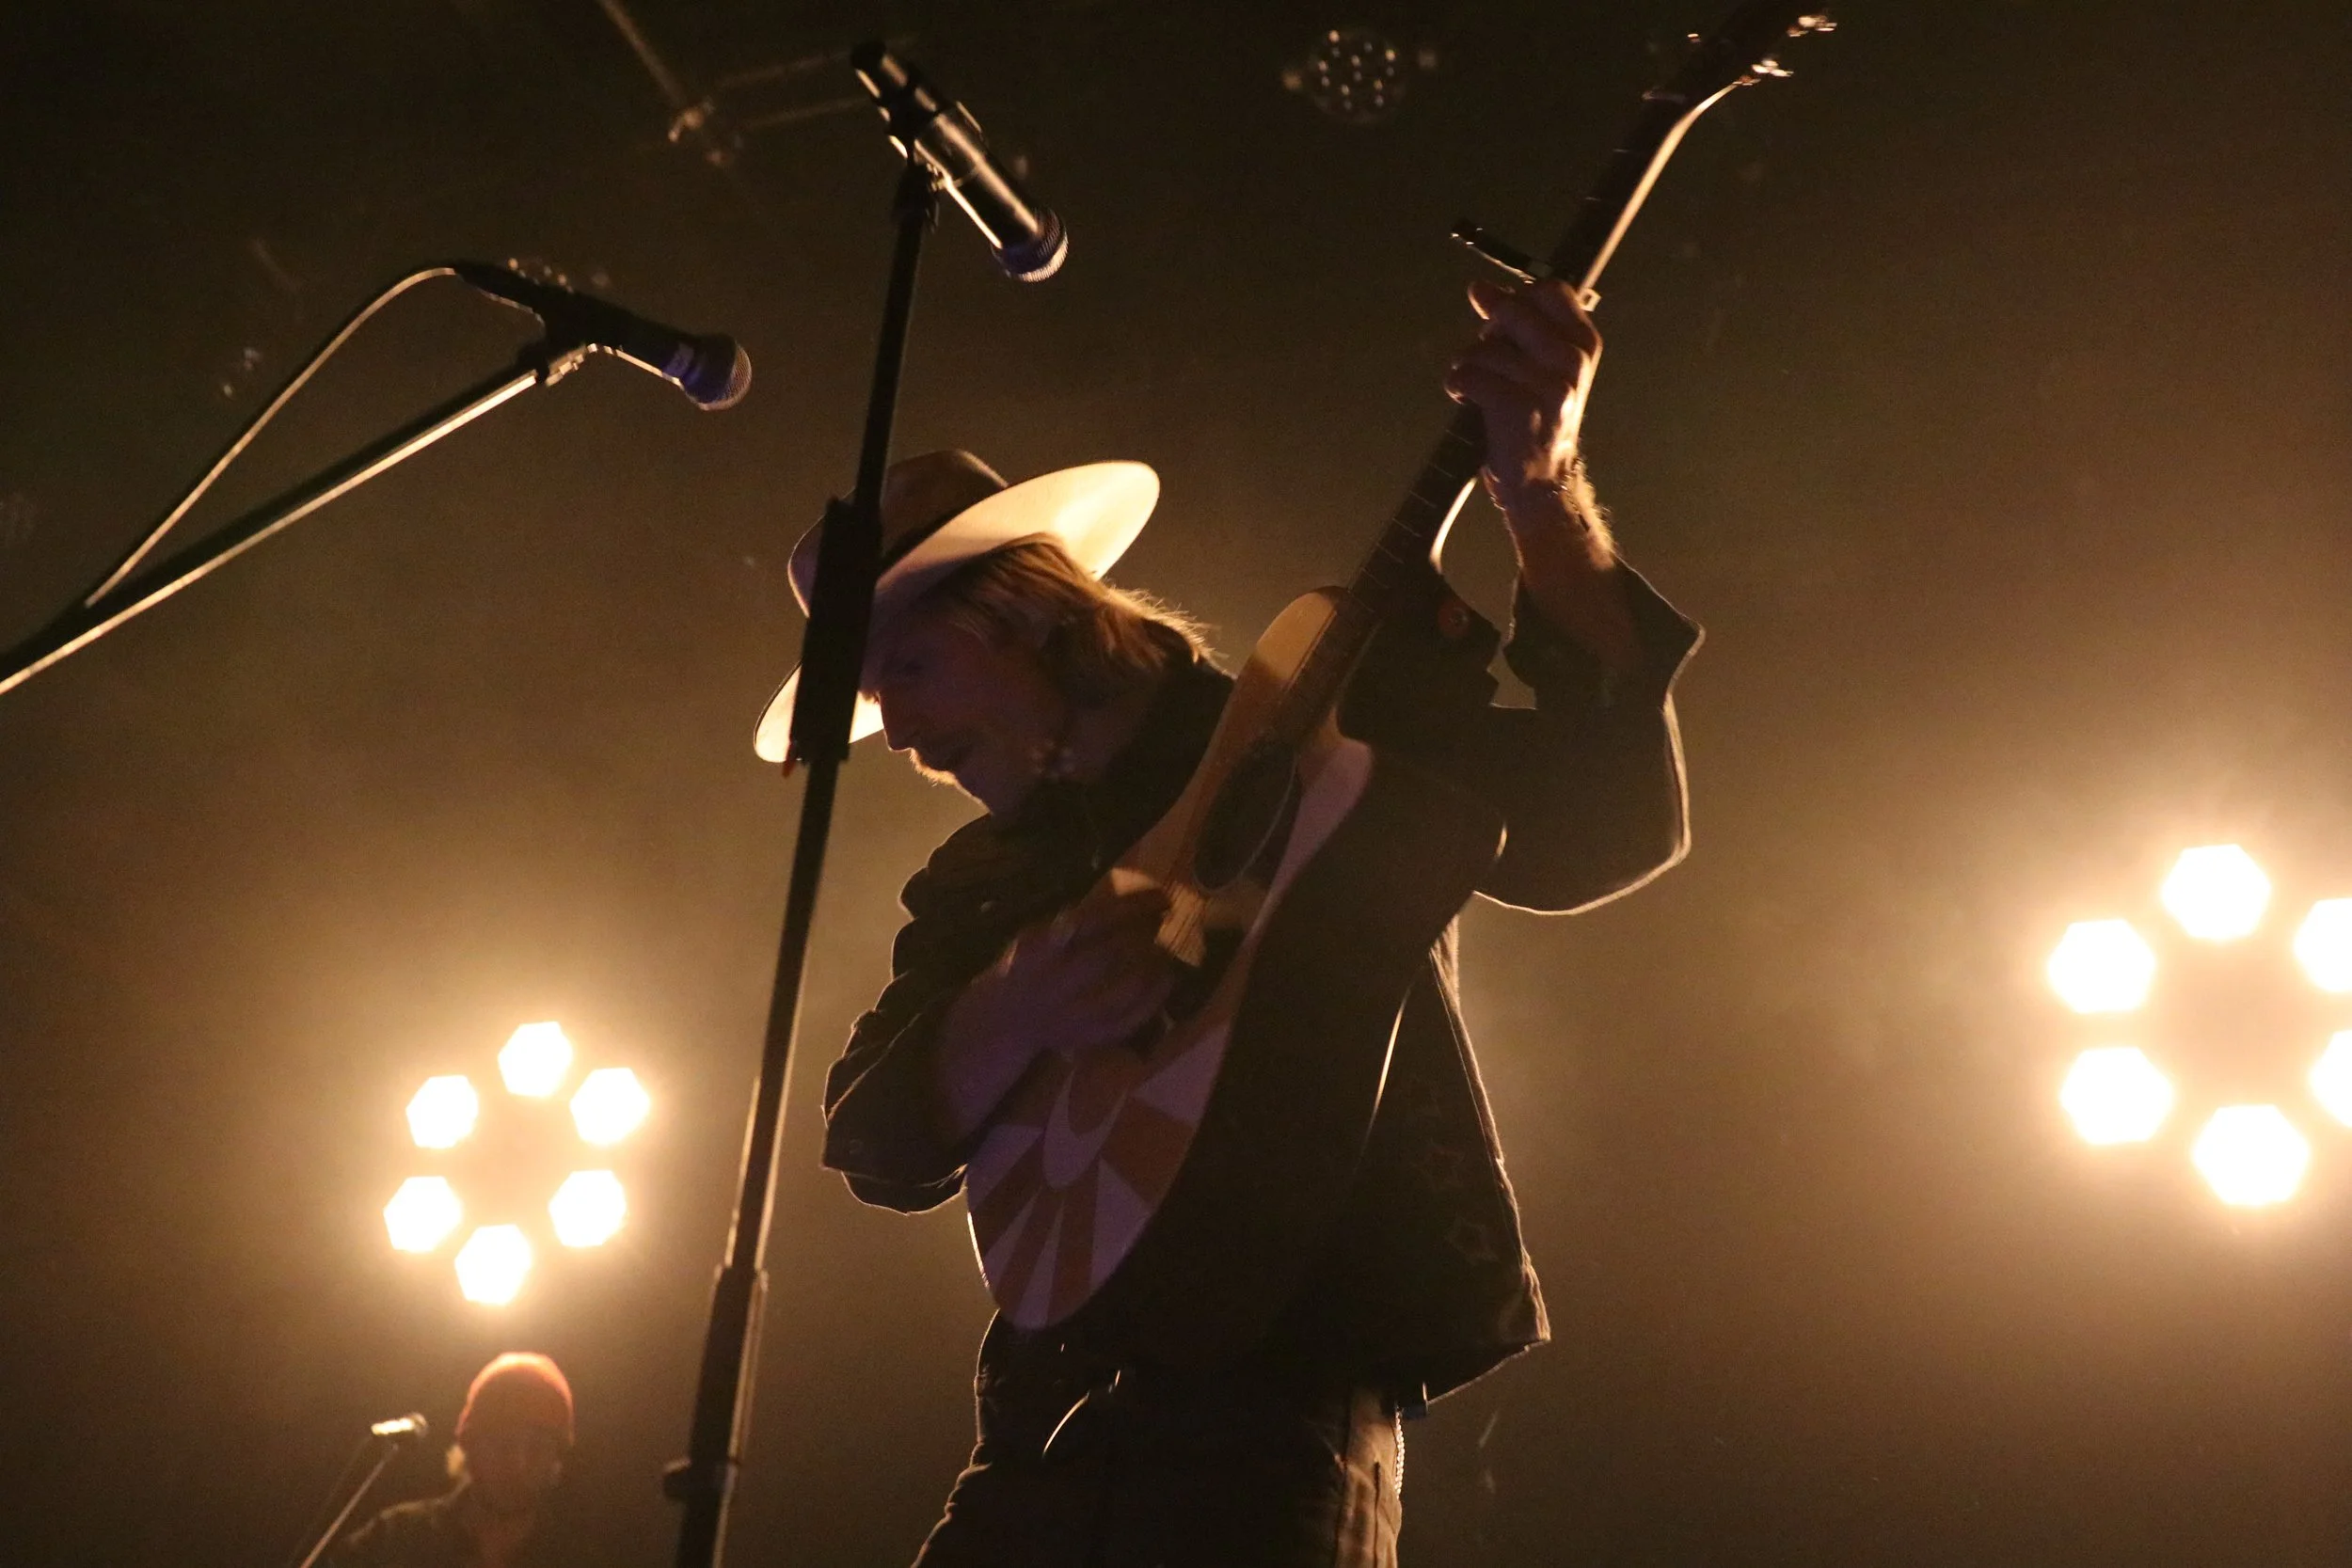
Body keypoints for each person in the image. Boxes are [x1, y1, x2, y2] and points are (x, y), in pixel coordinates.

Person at [764, 277, 1700, 1566]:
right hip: (1038, 1433)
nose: (902, 730)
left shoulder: (1307, 724)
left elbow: (1603, 820)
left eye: (910, 669)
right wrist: (1017, 1007)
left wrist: (1541, 496)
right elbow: (873, 1136)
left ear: (1022, 610)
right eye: (879, 693)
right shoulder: (981, 879)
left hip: (1290, 1402)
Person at [330, 1352, 575, 1568]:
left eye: (537, 1447)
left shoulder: (575, 1556)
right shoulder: (394, 1539)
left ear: (556, 1459)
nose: (518, 1464)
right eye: (504, 1444)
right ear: (470, 1446)